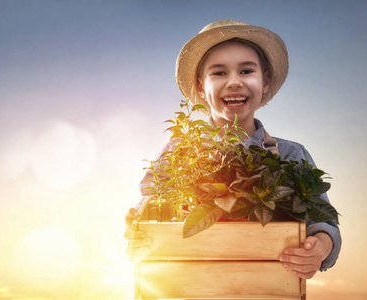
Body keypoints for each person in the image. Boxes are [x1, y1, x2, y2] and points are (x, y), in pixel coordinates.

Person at [124, 20, 341, 280]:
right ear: (201, 87)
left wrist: (318, 247)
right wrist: (138, 234)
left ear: (265, 82)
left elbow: (322, 223)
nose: (234, 82)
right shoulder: (180, 152)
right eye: (219, 73)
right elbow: (148, 207)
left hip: (269, 289)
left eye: (246, 71)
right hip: (197, 289)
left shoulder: (290, 155)